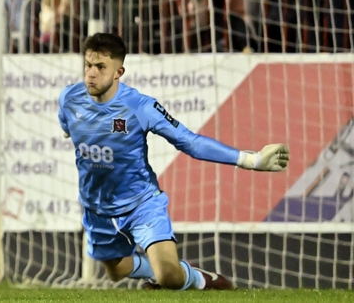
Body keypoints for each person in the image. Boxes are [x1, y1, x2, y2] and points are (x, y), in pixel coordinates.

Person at [58, 33, 290, 290]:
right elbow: (67, 128)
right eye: (88, 65)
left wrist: (252, 160)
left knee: (170, 277)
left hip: (140, 205)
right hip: (96, 207)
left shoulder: (140, 106)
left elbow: (190, 143)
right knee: (117, 271)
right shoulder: (70, 99)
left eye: (100, 67)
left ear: (118, 72)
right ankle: (156, 270)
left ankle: (199, 278)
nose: (91, 73)